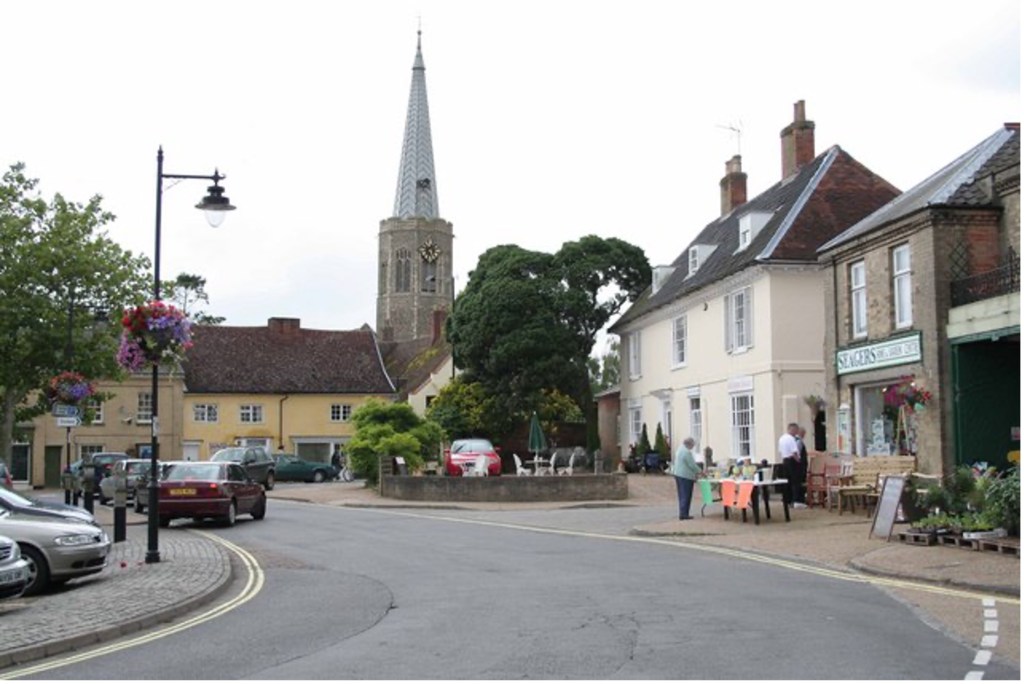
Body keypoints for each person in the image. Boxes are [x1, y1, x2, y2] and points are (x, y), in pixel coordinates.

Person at [671, 437, 701, 520]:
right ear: (689, 444)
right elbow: (692, 465)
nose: (692, 448)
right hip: (685, 476)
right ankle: (684, 514)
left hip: (678, 474)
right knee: (686, 495)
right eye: (692, 446)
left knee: (681, 494)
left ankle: (683, 512)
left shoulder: (680, 449)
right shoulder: (686, 452)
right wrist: (700, 471)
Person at [777, 422, 805, 508]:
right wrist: (799, 461)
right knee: (795, 481)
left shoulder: (782, 438)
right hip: (792, 461)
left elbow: (780, 451)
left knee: (787, 481)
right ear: (792, 429)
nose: (797, 432)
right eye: (796, 430)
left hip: (785, 461)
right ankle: (796, 500)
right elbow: (794, 452)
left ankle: (787, 500)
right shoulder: (791, 439)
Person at [793, 426, 810, 506]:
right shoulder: (798, 441)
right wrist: (799, 462)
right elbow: (797, 453)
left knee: (798, 483)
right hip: (799, 466)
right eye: (804, 433)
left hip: (796, 465)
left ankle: (798, 500)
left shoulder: (794, 440)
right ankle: (799, 500)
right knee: (800, 483)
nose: (804, 435)